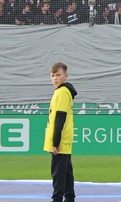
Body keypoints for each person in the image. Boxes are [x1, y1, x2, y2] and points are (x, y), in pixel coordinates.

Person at [45, 61, 77, 202]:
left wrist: (55, 142)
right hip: (63, 138)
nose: (55, 78)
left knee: (58, 172)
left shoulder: (62, 92)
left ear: (65, 76)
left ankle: (57, 198)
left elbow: (60, 117)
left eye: (58, 75)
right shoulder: (61, 92)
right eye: (52, 75)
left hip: (60, 139)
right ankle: (69, 197)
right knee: (66, 171)